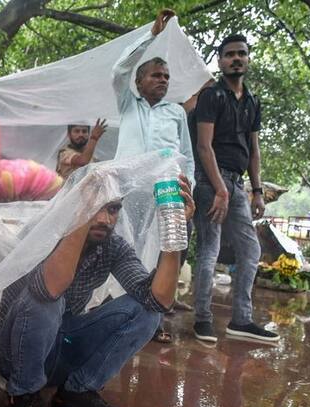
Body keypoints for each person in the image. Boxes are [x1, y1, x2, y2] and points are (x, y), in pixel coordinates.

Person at [0, 173, 196, 407]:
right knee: (50, 298)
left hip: (58, 347)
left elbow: (158, 300)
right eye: (95, 207)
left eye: (111, 209)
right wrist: (81, 215)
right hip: (14, 354)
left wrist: (175, 230)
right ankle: (24, 395)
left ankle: (77, 390)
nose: (104, 219)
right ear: (73, 206)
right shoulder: (44, 234)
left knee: (147, 310)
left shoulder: (113, 247)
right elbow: (47, 290)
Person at [111, 9, 195, 343]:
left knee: (163, 253)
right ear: (139, 81)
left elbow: (186, 156)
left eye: (166, 77)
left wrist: (191, 188)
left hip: (166, 195)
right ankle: (117, 311)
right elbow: (119, 69)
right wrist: (151, 36)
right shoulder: (127, 104)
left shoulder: (175, 112)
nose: (162, 80)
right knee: (124, 250)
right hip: (129, 191)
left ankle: (151, 320)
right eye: (156, 75)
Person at [190, 34, 278, 343]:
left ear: (248, 59)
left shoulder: (253, 101)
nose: (236, 58)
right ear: (221, 61)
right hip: (209, 181)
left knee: (251, 248)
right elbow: (203, 146)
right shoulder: (211, 96)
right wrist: (220, 190)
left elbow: (253, 150)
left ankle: (241, 320)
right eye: (229, 55)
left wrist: (256, 190)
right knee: (210, 249)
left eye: (241, 53)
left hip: (238, 184)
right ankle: (202, 319)